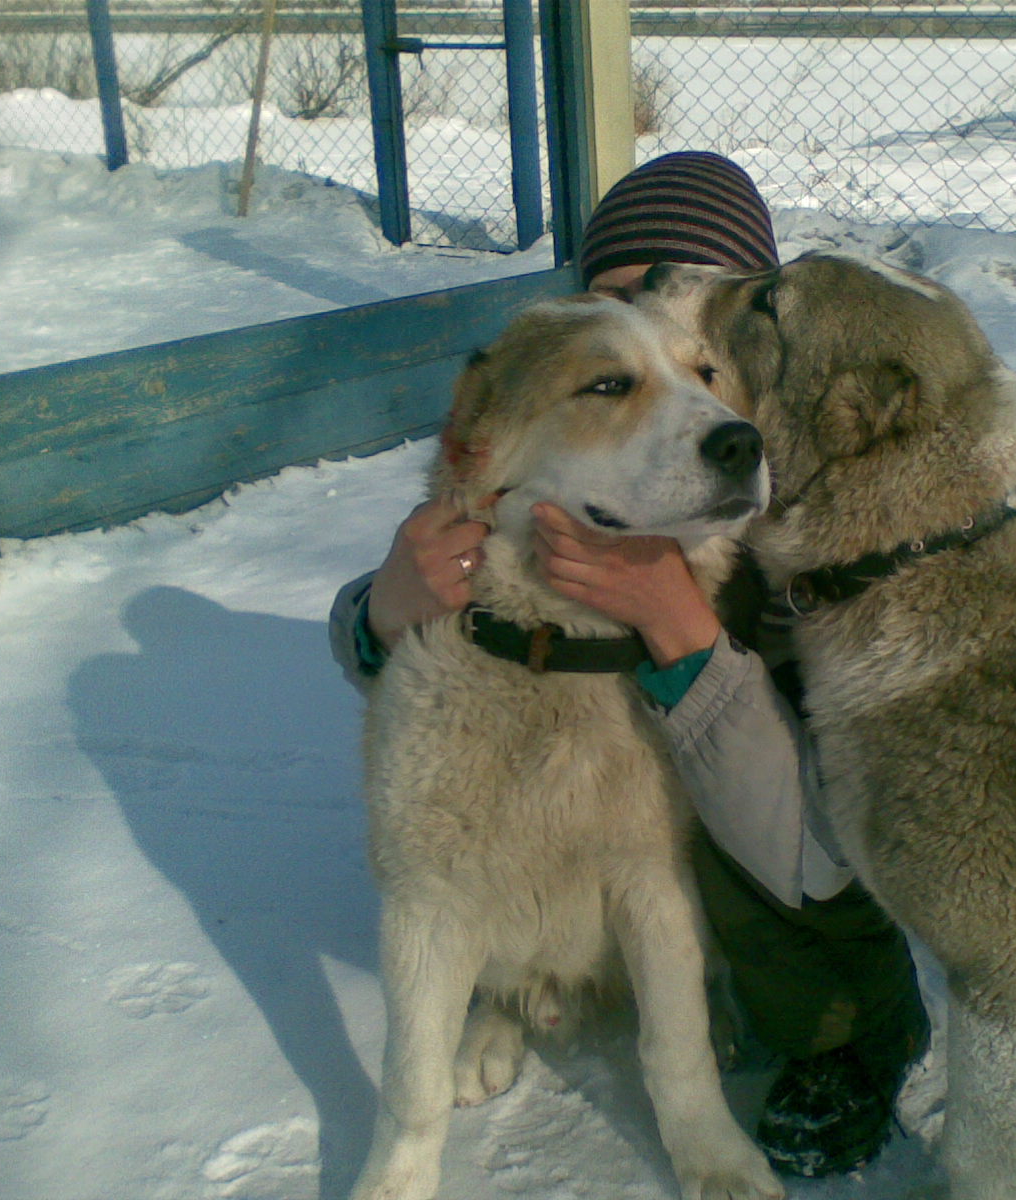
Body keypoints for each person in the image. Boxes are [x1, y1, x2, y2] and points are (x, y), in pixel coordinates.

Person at [329, 152, 929, 1178]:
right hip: (497, 678)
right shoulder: (505, 469)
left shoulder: (824, 522)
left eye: (696, 361)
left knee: (701, 847)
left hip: (806, 865)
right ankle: (493, 1019)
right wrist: (381, 612)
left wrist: (678, 627)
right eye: (614, 366)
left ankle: (837, 1039)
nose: (689, 401)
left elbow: (820, 841)